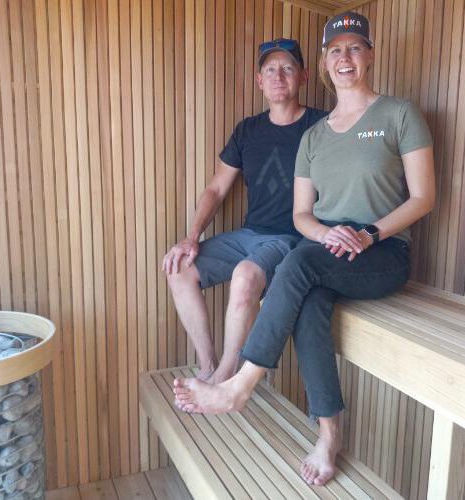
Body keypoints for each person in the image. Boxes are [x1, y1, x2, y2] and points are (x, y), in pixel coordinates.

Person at [173, 10, 435, 487]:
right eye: (336, 50)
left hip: (381, 252)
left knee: (297, 265)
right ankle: (330, 435)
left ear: (370, 55)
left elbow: (423, 198)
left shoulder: (398, 114)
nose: (345, 57)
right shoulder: (315, 135)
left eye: (355, 47)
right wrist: (326, 235)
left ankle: (239, 386)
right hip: (327, 250)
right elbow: (301, 215)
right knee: (309, 302)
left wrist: (369, 234)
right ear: (325, 61)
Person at [162, 39, 327, 384]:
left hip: (291, 237)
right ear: (259, 80)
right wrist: (191, 238)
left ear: (304, 76)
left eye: (287, 68)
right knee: (178, 267)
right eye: (270, 69)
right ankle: (208, 365)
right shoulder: (247, 130)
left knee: (245, 276)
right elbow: (216, 188)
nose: (278, 76)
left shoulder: (322, 126)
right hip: (249, 234)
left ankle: (225, 377)